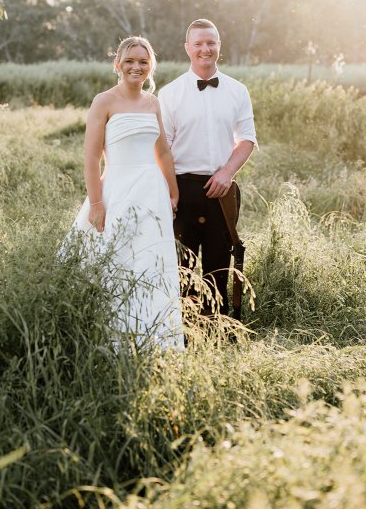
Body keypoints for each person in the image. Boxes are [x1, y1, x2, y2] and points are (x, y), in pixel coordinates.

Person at [67, 36, 184, 349]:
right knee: (114, 261)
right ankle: (109, 338)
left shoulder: (153, 103)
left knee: (150, 262)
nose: (136, 67)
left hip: (152, 195)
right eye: (130, 61)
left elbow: (163, 153)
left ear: (150, 67)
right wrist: (96, 203)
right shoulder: (104, 102)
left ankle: (154, 339)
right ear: (117, 65)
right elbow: (92, 156)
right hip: (117, 190)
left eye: (143, 62)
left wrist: (173, 194)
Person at [159, 19, 257, 315]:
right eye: (198, 43)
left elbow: (247, 140)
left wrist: (227, 173)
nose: (205, 49)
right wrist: (170, 193)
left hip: (222, 189)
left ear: (219, 47)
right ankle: (185, 332)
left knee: (219, 266)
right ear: (188, 48)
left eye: (211, 43)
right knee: (182, 268)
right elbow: (162, 148)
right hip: (180, 189)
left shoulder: (238, 91)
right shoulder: (169, 94)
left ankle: (218, 328)